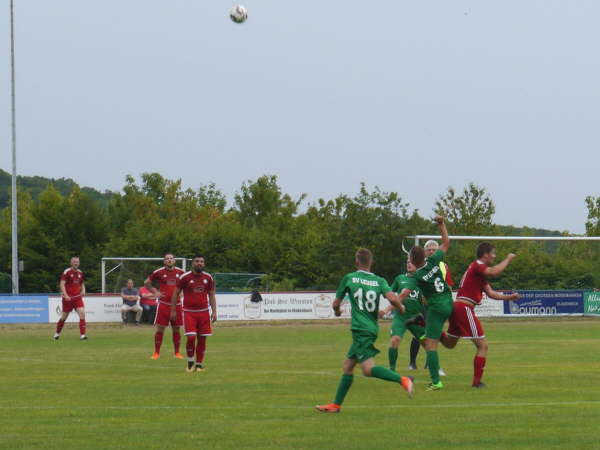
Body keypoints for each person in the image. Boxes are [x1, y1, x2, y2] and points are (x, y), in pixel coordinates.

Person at [316, 248, 414, 413]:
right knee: (348, 366)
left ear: (356, 262)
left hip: (361, 329)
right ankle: (336, 405)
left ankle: (403, 380)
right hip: (371, 327)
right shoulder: (379, 280)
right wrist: (401, 307)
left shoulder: (349, 278)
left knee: (368, 370)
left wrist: (338, 311)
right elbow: (391, 297)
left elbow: (335, 304)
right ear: (371, 263)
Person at [441, 243, 519, 388]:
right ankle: (476, 383)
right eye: (493, 253)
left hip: (457, 307)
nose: (495, 256)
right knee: (483, 346)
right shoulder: (477, 265)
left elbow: (491, 293)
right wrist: (508, 259)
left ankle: (426, 326)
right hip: (464, 308)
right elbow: (495, 272)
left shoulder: (478, 272)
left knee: (449, 344)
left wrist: (509, 297)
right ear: (486, 254)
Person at [396, 217, 452, 391]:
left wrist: (390, 306)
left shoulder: (416, 277)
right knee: (435, 338)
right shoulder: (433, 260)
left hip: (436, 307)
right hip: (449, 301)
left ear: (413, 260)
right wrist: (441, 224)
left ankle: (436, 382)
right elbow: (446, 242)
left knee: (430, 345)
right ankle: (423, 323)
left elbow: (404, 293)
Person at [408, 239, 453, 373]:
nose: (432, 251)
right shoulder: (422, 266)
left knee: (430, 334)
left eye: (434, 249)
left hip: (437, 304)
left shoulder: (443, 265)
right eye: (429, 249)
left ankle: (431, 364)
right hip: (426, 304)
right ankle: (414, 363)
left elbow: (448, 283)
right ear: (424, 252)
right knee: (427, 335)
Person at [171, 255, 217, 373]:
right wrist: (173, 310)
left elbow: (211, 295)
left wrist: (214, 311)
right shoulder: (184, 277)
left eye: (202, 261)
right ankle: (190, 362)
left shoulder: (208, 277)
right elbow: (175, 293)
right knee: (191, 337)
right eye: (197, 261)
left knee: (202, 339)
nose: (199, 263)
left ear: (204, 264)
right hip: (189, 312)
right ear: (192, 263)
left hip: (204, 312)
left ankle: (199, 364)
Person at [379, 261, 427, 372]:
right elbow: (390, 293)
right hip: (400, 316)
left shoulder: (423, 279)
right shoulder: (399, 278)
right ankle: (391, 370)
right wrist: (383, 289)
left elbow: (426, 299)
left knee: (428, 344)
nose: (409, 264)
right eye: (407, 262)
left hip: (416, 317)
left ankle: (435, 367)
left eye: (412, 262)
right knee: (395, 340)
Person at [145, 253, 185, 360]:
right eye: (167, 259)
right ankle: (156, 353)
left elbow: (188, 284)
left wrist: (183, 292)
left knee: (176, 329)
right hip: (163, 305)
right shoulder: (159, 272)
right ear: (164, 261)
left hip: (177, 305)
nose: (169, 260)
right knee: (160, 329)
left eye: (171, 258)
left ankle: (177, 353)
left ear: (174, 261)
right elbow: (147, 282)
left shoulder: (181, 272)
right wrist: (155, 292)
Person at [53, 256, 87, 340]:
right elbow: (62, 284)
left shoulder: (80, 272)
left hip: (77, 298)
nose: (76, 263)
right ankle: (57, 333)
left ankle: (82, 335)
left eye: (77, 262)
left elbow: (82, 283)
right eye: (74, 262)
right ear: (71, 263)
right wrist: (66, 295)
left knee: (82, 313)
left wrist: (83, 290)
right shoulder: (67, 272)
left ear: (79, 263)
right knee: (64, 317)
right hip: (68, 298)